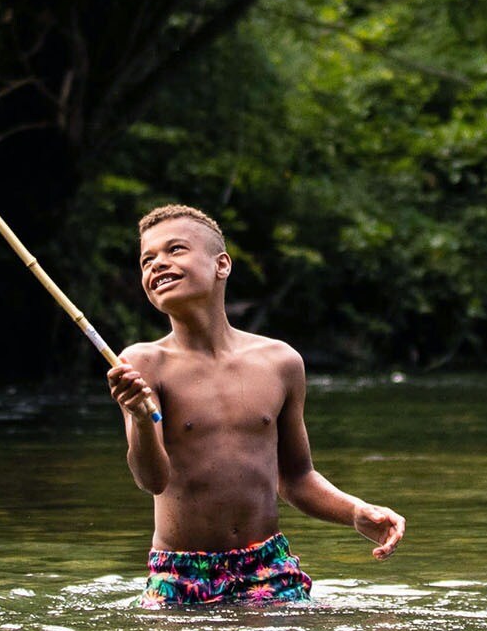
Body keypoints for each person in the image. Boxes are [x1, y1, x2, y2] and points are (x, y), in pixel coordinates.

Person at [105, 203, 406, 607]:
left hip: (268, 567)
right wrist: (142, 420)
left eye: (175, 250)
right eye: (147, 259)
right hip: (180, 574)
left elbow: (296, 477)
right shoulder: (142, 364)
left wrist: (355, 512)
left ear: (222, 265)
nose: (157, 264)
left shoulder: (280, 362)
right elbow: (151, 480)